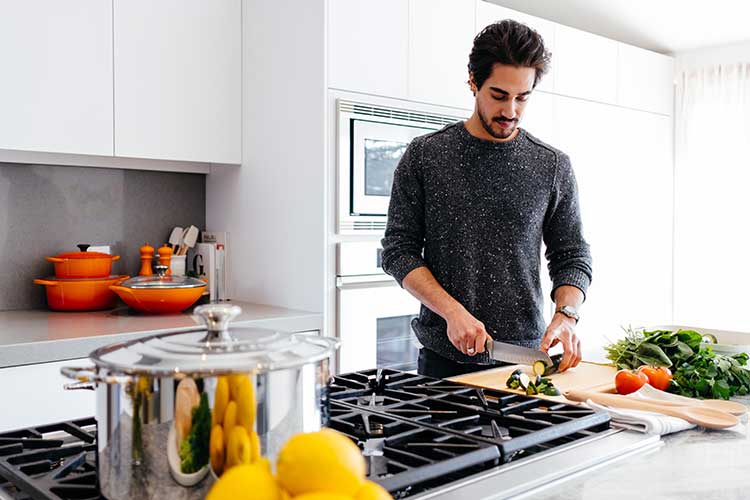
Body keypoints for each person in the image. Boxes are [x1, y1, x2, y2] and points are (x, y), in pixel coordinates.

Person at [381, 20, 592, 379]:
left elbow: (572, 254)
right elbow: (398, 251)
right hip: (443, 364)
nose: (510, 110)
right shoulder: (426, 155)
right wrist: (451, 312)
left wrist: (566, 314)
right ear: (473, 82)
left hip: (526, 360)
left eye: (522, 97)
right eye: (499, 95)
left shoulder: (552, 165)